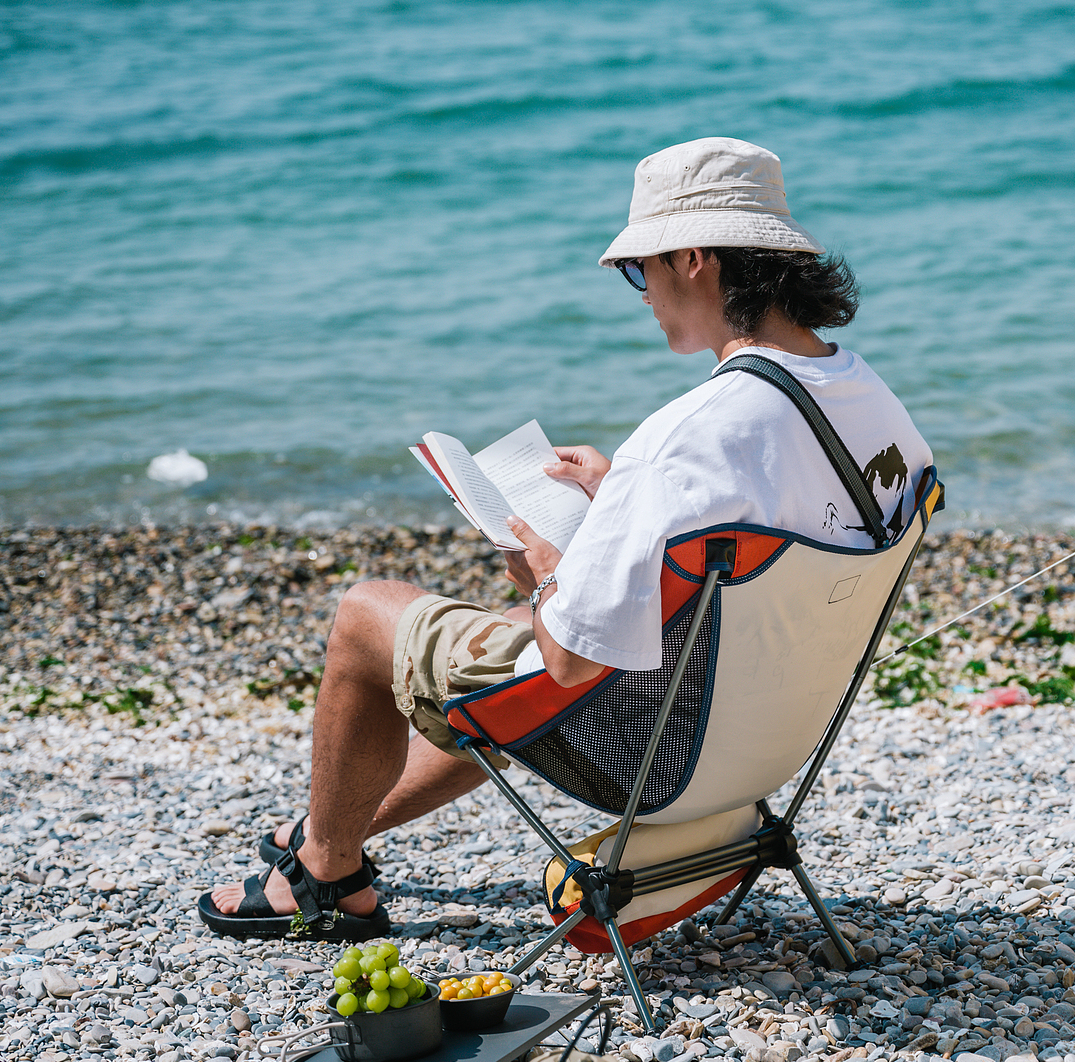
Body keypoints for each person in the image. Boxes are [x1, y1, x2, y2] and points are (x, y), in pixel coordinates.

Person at [201, 137, 932, 939]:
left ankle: (327, 876)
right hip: (772, 741)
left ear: (693, 258)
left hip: (652, 755)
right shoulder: (870, 400)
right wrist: (621, 492)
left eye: (637, 271)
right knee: (509, 642)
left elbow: (571, 659)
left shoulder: (686, 437)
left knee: (369, 614)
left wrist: (545, 576)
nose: (641, 293)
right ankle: (328, 829)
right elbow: (772, 509)